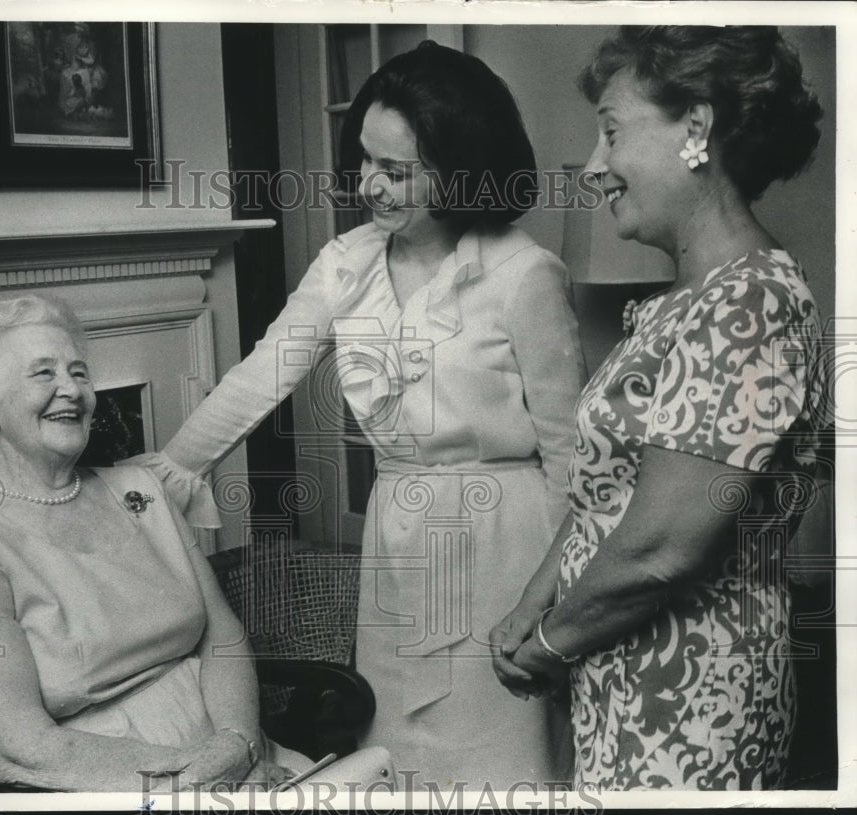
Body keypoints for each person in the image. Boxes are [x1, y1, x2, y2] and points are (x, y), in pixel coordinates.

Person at [127, 41, 586, 788]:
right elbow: (261, 373)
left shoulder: (523, 273)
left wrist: (561, 595)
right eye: (363, 161)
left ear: (461, 167)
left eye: (396, 170)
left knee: (500, 750)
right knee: (397, 742)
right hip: (399, 525)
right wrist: (170, 467)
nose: (369, 184)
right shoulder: (346, 261)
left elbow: (573, 456)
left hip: (507, 536)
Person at [490, 26, 826, 790]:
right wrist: (535, 599)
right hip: (627, 675)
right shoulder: (688, 300)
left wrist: (545, 643)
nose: (596, 167)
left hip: (693, 698)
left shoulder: (753, 301)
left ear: (696, 127)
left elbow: (662, 549)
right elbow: (605, 495)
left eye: (611, 132)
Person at [0, 293, 302, 791]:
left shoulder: (141, 488)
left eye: (79, 372)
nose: (71, 390)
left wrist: (239, 745)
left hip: (240, 750)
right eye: (43, 374)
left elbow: (222, 640)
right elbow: (17, 742)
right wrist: (196, 777)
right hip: (113, 777)